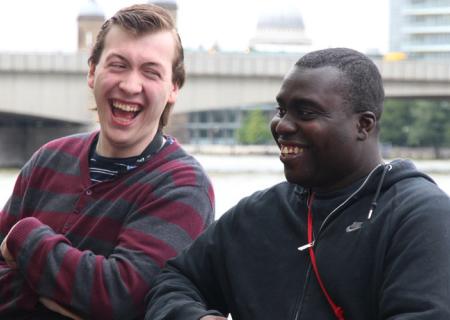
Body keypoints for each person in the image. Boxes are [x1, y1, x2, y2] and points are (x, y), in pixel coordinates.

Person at [145, 48, 450, 320]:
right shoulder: (257, 214)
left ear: (363, 125)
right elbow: (174, 282)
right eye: (281, 110)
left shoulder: (421, 217)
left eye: (305, 113)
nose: (282, 125)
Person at [0, 4, 214, 319]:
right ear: (92, 71)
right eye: (118, 65)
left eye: (151, 72)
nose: (130, 85)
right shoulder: (47, 160)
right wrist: (50, 298)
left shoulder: (184, 186)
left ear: (173, 89)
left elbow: (122, 298)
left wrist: (25, 237)